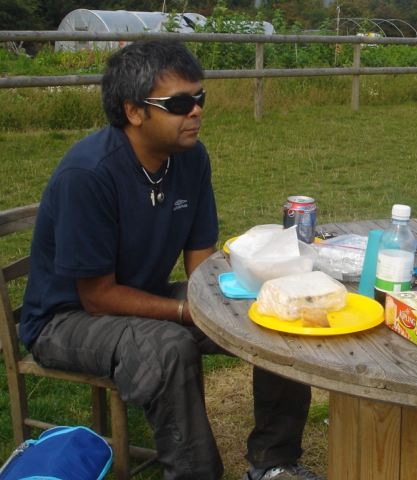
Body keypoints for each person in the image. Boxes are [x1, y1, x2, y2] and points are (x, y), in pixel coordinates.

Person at [19, 39, 322, 480]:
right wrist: (187, 312)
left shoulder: (190, 159)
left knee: (276, 310)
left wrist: (232, 301)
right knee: (168, 348)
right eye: (179, 103)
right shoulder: (88, 175)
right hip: (64, 318)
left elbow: (201, 265)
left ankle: (274, 464)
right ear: (134, 111)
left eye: (200, 98)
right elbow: (98, 297)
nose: (195, 111)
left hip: (140, 294)